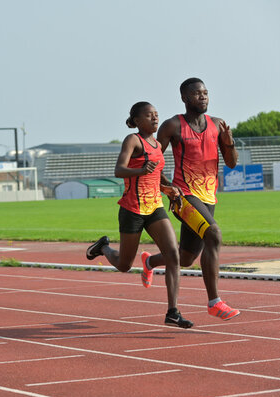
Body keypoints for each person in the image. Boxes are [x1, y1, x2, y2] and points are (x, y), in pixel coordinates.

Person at [86, 102, 193, 329]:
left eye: (156, 115)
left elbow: (157, 173)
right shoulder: (132, 140)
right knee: (125, 264)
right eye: (149, 115)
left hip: (155, 207)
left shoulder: (156, 143)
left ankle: (172, 312)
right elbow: (119, 170)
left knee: (173, 254)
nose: (155, 118)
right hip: (132, 209)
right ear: (136, 120)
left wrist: (170, 187)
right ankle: (103, 247)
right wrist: (140, 170)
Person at [148, 77, 240, 321]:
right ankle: (214, 302)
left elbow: (231, 163)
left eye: (206, 93)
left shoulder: (218, 124)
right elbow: (153, 160)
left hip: (208, 196)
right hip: (184, 196)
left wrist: (229, 143)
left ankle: (150, 262)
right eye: (197, 93)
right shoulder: (171, 126)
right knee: (214, 234)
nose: (203, 97)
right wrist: (167, 188)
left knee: (187, 258)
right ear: (185, 98)